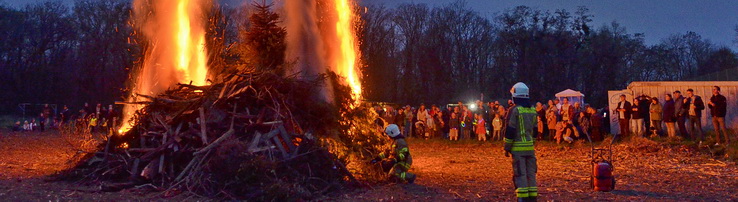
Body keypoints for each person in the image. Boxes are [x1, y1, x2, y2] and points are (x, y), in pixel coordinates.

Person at [503, 82, 538, 201]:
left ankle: (522, 199)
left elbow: (510, 130)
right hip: (530, 149)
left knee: (520, 174)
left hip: (518, 149)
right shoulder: (532, 110)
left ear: (515, 95)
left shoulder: (514, 110)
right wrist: (532, 143)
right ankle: (532, 198)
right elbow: (535, 130)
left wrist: (507, 147)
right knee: (531, 174)